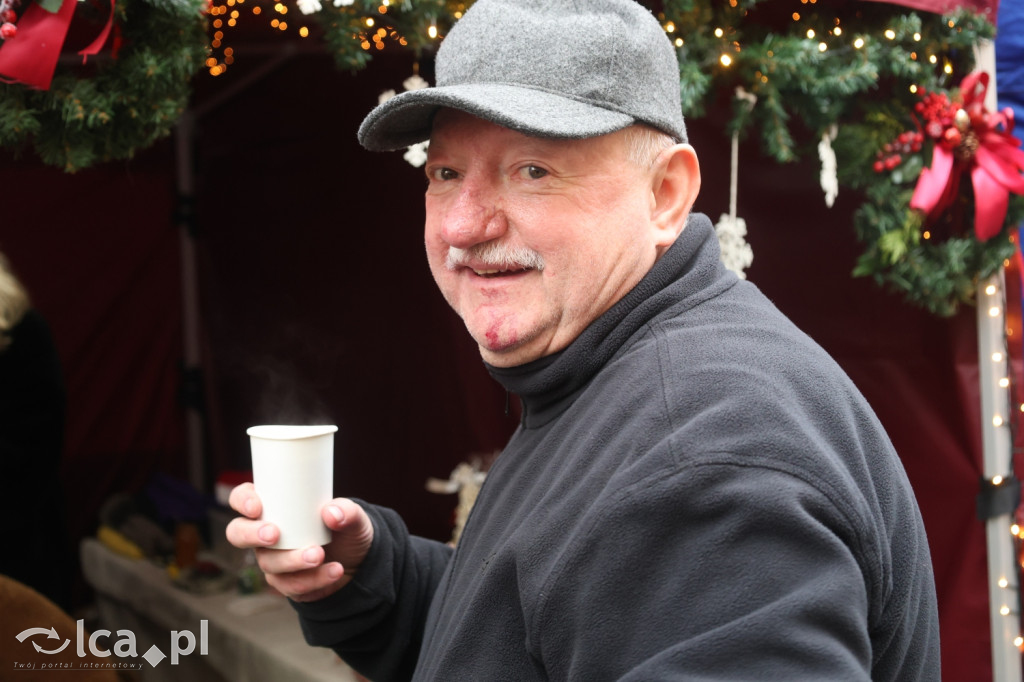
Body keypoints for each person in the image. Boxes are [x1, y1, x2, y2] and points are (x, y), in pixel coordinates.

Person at [227, 0, 941, 679]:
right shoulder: (605, 372)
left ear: (665, 195)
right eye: (445, 172)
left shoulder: (705, 453)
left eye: (532, 170)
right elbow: (542, 630)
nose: (462, 226)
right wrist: (374, 579)